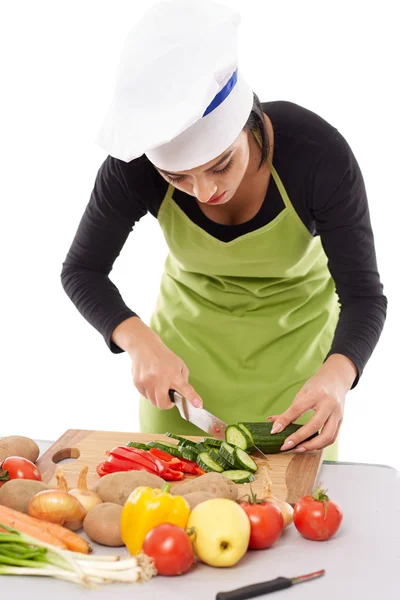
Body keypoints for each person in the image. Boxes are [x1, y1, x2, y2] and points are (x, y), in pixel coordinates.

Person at [61, 0, 387, 461]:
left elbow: (363, 297)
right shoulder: (131, 168)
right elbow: (82, 269)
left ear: (249, 124)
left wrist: (337, 376)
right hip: (182, 383)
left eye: (220, 165)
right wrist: (138, 341)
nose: (205, 191)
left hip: (296, 382)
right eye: (179, 179)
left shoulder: (318, 156)